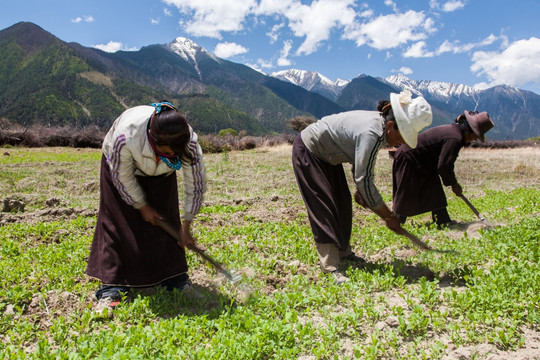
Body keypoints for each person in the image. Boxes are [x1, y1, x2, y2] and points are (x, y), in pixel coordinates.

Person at [292, 90, 432, 283]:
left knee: (342, 202)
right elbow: (364, 179)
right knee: (323, 205)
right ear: (391, 126)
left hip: (328, 156)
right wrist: (388, 216)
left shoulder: (380, 128)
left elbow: (361, 164)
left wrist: (361, 191)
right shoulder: (372, 132)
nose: (401, 143)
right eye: (402, 137)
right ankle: (330, 267)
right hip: (310, 149)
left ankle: (344, 253)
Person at [86, 101, 206, 314]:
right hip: (120, 168)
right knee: (118, 222)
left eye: (174, 155)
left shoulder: (188, 141)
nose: (171, 156)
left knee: (167, 221)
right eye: (165, 151)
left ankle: (174, 279)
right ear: (153, 138)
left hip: (162, 174)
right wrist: (141, 206)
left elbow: (195, 185)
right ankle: (111, 288)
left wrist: (186, 226)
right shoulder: (126, 136)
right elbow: (122, 177)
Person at [392, 110, 494, 227]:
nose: (473, 140)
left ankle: (442, 220)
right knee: (406, 191)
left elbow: (443, 164)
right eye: (474, 136)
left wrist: (452, 182)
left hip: (422, 161)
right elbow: (444, 166)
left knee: (434, 189)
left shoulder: (455, 133)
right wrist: (454, 184)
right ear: (467, 130)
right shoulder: (454, 138)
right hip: (409, 158)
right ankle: (395, 221)